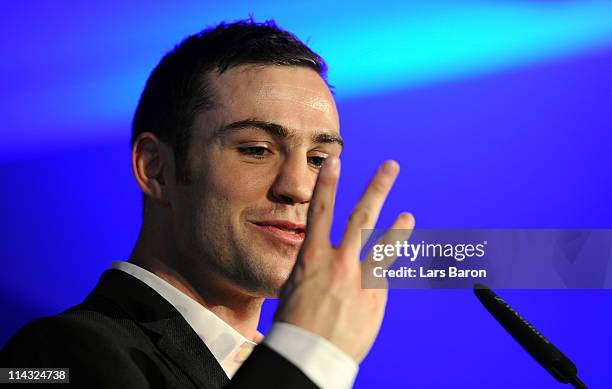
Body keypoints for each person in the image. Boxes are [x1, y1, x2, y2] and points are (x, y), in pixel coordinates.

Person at [0, 19, 414, 388]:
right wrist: (307, 348)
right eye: (257, 149)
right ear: (156, 169)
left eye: (318, 159)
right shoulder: (59, 355)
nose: (299, 187)